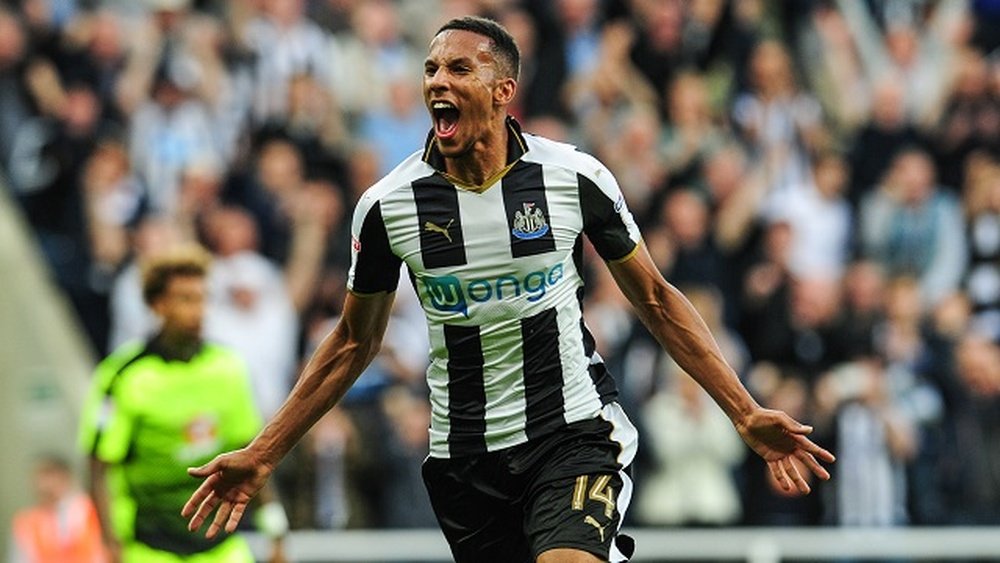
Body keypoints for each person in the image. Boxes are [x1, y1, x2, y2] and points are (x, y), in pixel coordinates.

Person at [182, 16, 835, 563]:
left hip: (572, 431)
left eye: (459, 69)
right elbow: (354, 341)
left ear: (502, 91)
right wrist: (265, 452)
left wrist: (744, 410)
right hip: (465, 459)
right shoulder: (389, 206)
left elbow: (658, 300)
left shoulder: (573, 178)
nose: (438, 80)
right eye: (432, 69)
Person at [78, 246, 287, 562]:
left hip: (221, 547)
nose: (198, 310)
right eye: (186, 299)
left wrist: (275, 530)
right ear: (158, 304)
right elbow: (98, 466)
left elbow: (253, 454)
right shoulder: (122, 376)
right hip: (149, 547)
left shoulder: (229, 367)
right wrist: (110, 544)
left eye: (203, 298)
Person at [9, 455, 106, 563]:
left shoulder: (90, 511)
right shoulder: (27, 522)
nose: (43, 484)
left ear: (65, 477)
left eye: (49, 475)